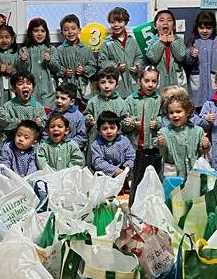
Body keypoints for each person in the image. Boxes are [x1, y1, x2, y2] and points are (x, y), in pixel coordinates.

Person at [125, 67, 163, 198]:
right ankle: (134, 198)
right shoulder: (131, 99)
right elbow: (124, 121)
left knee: (151, 175)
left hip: (151, 145)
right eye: (146, 80)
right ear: (140, 80)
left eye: (154, 81)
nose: (150, 84)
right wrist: (130, 124)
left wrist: (157, 122)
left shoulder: (158, 99)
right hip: (134, 144)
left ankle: (151, 199)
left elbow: (164, 118)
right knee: (136, 174)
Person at [185, 10, 217, 107]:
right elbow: (186, 61)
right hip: (198, 88)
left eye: (208, 28)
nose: (204, 31)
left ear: (213, 28)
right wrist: (191, 55)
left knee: (216, 107)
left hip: (215, 85)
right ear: (197, 27)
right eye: (201, 28)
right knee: (198, 109)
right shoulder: (192, 42)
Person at [157, 87, 209, 178]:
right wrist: (161, 144)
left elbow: (202, 152)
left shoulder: (197, 131)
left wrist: (205, 146)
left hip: (193, 174)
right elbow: (161, 153)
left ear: (187, 112)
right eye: (171, 112)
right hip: (173, 175)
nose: (175, 115)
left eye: (178, 111)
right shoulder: (164, 132)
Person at [98, 6, 144, 98]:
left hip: (133, 85)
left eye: (120, 21)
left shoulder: (132, 41)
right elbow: (102, 62)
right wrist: (115, 67)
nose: (116, 25)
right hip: (116, 86)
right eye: (112, 22)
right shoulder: (106, 43)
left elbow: (139, 57)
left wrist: (137, 66)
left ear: (125, 22)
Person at [52, 14, 96, 102]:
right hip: (66, 89)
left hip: (84, 88)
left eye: (73, 28)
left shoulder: (86, 49)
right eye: (66, 30)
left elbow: (93, 66)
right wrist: (64, 72)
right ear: (62, 33)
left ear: (79, 30)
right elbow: (55, 68)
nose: (70, 32)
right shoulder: (59, 50)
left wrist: (84, 70)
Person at [145, 9, 191, 90]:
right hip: (159, 81)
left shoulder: (178, 40)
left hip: (177, 81)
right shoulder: (151, 41)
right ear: (155, 25)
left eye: (169, 20)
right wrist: (161, 42)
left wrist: (173, 42)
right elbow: (153, 58)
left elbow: (181, 56)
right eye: (161, 20)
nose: (165, 23)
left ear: (173, 26)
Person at [17, 17, 57, 109]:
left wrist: (49, 60)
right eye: (36, 31)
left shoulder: (51, 49)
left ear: (46, 33)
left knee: (48, 114)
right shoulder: (24, 50)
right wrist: (23, 61)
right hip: (31, 93)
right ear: (30, 33)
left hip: (49, 91)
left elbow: (56, 69)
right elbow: (20, 71)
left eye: (43, 31)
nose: (39, 34)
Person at [86, 68, 132, 144]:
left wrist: (128, 123)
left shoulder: (121, 103)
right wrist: (88, 120)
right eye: (103, 82)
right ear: (98, 84)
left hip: (116, 141)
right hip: (96, 140)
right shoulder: (93, 102)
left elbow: (126, 125)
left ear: (117, 85)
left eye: (111, 82)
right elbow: (86, 116)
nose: (106, 86)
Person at [0, 72, 48, 138]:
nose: (25, 86)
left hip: (33, 141)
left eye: (28, 83)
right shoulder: (8, 106)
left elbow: (45, 124)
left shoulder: (38, 106)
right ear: (14, 89)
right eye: (20, 84)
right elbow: (4, 125)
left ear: (33, 88)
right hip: (13, 141)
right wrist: (17, 123)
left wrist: (40, 122)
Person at [89, 112, 135, 180]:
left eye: (112, 128)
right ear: (99, 131)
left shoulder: (124, 141)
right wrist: (114, 170)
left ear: (118, 129)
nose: (109, 131)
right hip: (103, 177)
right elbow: (98, 162)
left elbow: (131, 156)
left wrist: (127, 168)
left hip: (124, 175)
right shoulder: (96, 145)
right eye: (105, 129)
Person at [0, 24, 19, 104]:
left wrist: (13, 71)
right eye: (0, 37)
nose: (4, 40)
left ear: (12, 39)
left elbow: (21, 71)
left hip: (12, 88)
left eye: (7, 37)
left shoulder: (16, 55)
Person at [53, 83, 88, 151]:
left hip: (71, 151)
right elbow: (46, 132)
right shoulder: (53, 114)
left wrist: (67, 144)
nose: (58, 101)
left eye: (63, 98)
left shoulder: (78, 116)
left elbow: (82, 137)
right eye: (57, 97)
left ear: (72, 102)